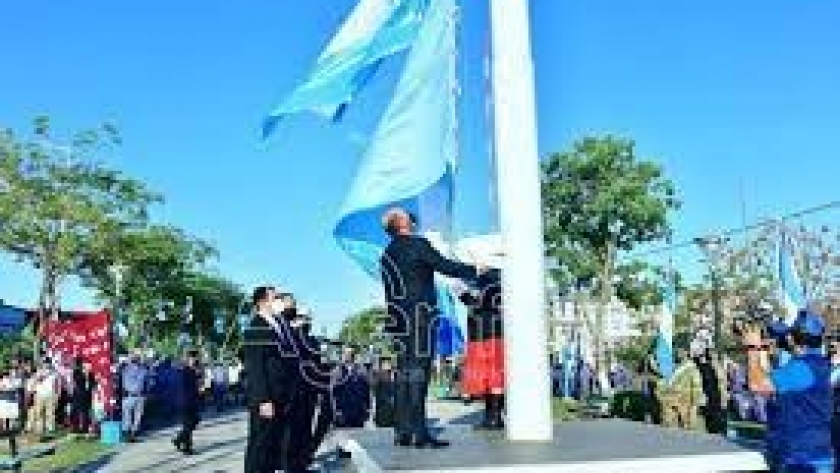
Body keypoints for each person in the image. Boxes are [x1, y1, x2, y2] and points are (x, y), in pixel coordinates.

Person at [380, 207, 483, 449]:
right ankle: (418, 432)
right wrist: (474, 270)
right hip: (420, 318)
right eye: (408, 216)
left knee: (405, 374)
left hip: (399, 321)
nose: (413, 219)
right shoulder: (417, 244)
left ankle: (403, 431)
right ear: (402, 223)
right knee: (419, 374)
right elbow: (443, 265)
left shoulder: (386, 254)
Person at [744, 310, 833, 472]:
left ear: (792, 338)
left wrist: (752, 347)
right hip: (814, 452)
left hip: (802, 457)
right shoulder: (817, 364)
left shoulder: (801, 369)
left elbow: (756, 384)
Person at [243, 286, 299, 473]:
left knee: (273, 446)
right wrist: (263, 399)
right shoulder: (256, 326)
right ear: (263, 302)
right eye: (275, 298)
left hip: (281, 395)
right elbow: (256, 368)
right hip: (266, 399)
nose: (280, 301)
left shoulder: (277, 324)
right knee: (260, 446)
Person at [459, 268, 505, 430]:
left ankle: (492, 417)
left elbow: (478, 304)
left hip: (482, 335)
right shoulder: (500, 281)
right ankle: (494, 417)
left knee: (487, 377)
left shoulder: (487, 281)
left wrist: (464, 296)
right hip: (494, 334)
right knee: (494, 377)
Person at [173, 350, 201, 456]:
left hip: (192, 401)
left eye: (196, 358)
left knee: (193, 422)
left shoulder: (192, 370)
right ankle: (186, 447)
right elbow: (183, 388)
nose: (196, 360)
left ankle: (179, 440)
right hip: (185, 402)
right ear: (188, 359)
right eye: (194, 358)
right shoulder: (184, 371)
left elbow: (196, 384)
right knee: (188, 425)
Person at [121, 351, 150, 442]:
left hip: (132, 395)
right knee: (135, 416)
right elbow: (147, 381)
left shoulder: (127, 370)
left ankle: (129, 435)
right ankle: (131, 435)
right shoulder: (141, 370)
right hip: (135, 395)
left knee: (131, 416)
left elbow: (122, 383)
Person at [71, 358, 95, 435]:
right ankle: (76, 428)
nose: (87, 366)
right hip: (78, 395)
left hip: (87, 396)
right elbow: (77, 381)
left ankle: (85, 428)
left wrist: (88, 375)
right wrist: (85, 375)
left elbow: (93, 384)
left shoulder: (91, 374)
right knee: (76, 412)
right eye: (85, 365)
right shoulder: (77, 372)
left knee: (86, 413)